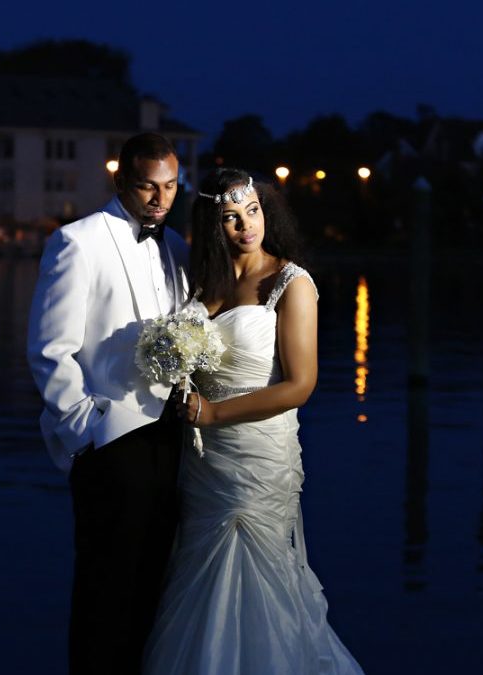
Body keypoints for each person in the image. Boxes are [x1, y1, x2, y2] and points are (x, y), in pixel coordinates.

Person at [143, 168, 364, 674]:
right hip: (203, 462)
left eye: (253, 211)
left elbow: (300, 386)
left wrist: (215, 412)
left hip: (257, 452)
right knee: (198, 569)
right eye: (230, 217)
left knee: (254, 570)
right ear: (214, 224)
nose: (246, 225)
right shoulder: (203, 283)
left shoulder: (291, 283)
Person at [27, 133, 190, 674]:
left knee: (154, 586)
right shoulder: (79, 241)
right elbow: (50, 350)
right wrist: (88, 433)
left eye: (169, 186)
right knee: (104, 590)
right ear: (121, 180)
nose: (160, 198)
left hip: (173, 444)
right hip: (110, 442)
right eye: (148, 185)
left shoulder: (179, 248)